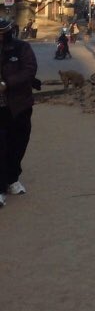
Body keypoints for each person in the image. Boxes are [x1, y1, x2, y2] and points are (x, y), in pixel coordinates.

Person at [0, 16, 38, 206]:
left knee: (18, 144)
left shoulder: (21, 48)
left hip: (19, 106)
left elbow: (29, 70)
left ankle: (12, 179)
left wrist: (7, 84)